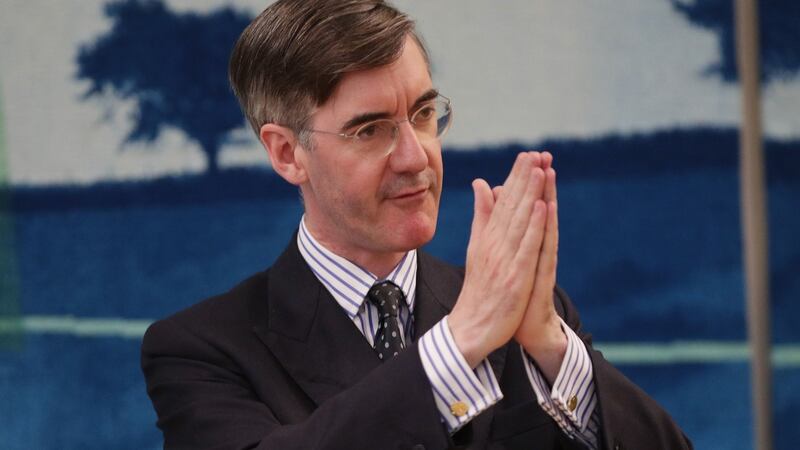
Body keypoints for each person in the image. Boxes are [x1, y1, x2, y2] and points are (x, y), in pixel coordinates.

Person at [141, 1, 693, 449]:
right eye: (370, 130)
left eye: (425, 115)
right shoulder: (199, 349)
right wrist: (459, 343)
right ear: (287, 154)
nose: (415, 157)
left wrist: (552, 345)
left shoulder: (528, 315)